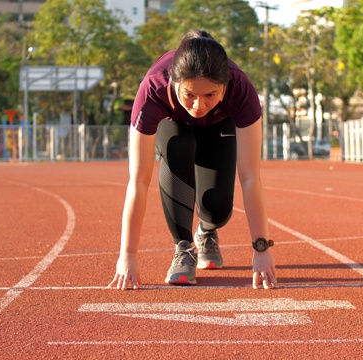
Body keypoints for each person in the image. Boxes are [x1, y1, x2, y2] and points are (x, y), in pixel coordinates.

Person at [108, 30, 277, 290]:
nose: (198, 105)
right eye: (189, 94)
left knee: (217, 208)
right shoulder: (152, 90)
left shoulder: (242, 90)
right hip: (173, 124)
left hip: (218, 125)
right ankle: (184, 248)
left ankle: (206, 231)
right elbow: (139, 181)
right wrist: (127, 255)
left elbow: (250, 177)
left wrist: (261, 248)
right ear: (174, 82)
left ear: (225, 86)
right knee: (179, 142)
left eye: (210, 94)